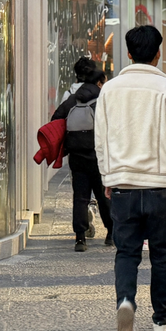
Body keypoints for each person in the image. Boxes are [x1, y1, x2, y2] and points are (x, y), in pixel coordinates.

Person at [94, 25, 166, 331]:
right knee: (162, 255)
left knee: (126, 252)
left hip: (122, 186)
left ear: (127, 53)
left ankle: (125, 302)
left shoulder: (110, 90)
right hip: (159, 187)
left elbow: (102, 140)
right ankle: (160, 323)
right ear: (158, 54)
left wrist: (109, 177)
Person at [52, 57, 113, 251]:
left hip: (77, 154)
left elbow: (56, 118)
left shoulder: (74, 97)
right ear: (97, 81)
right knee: (103, 195)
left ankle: (80, 238)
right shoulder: (102, 97)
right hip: (98, 154)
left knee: (80, 196)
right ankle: (111, 233)